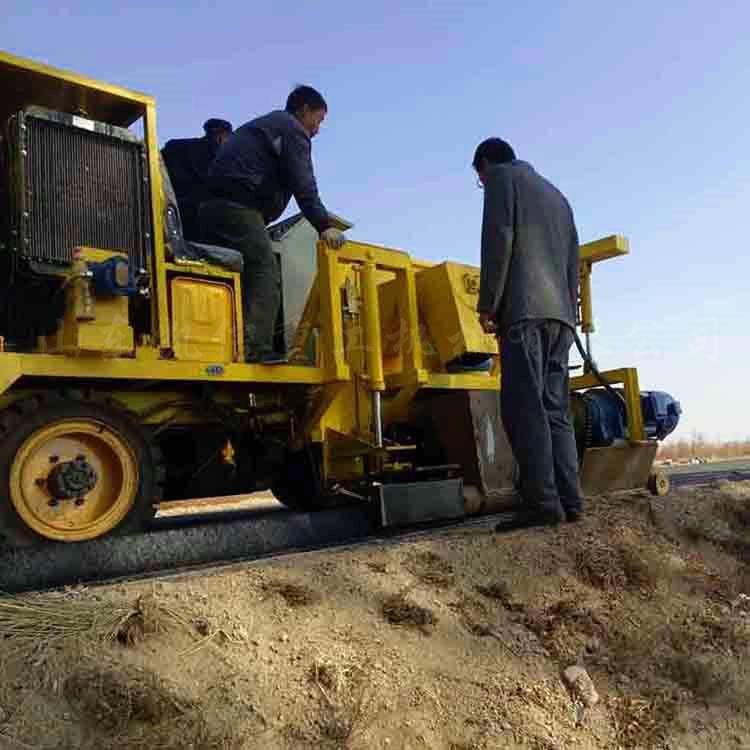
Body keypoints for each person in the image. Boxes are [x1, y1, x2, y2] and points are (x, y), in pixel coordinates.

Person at [473, 138, 583, 527]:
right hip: (561, 320)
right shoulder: (557, 196)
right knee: (556, 410)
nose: (483, 186)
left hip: (525, 313)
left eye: (479, 179)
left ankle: (541, 504)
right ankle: (571, 501)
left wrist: (488, 303)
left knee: (524, 408)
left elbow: (499, 240)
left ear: (486, 164)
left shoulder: (503, 180)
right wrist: (570, 314)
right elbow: (573, 262)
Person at [201, 86, 345, 364]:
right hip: (238, 207)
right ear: (304, 110)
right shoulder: (291, 129)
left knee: (232, 276)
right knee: (265, 271)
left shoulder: (266, 125)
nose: (317, 130)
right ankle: (255, 348)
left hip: (211, 209)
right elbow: (304, 183)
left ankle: (223, 344)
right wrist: (323, 225)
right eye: (318, 120)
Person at [161, 118, 233, 241]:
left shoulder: (175, 146)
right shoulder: (220, 162)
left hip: (167, 214)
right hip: (196, 223)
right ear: (222, 137)